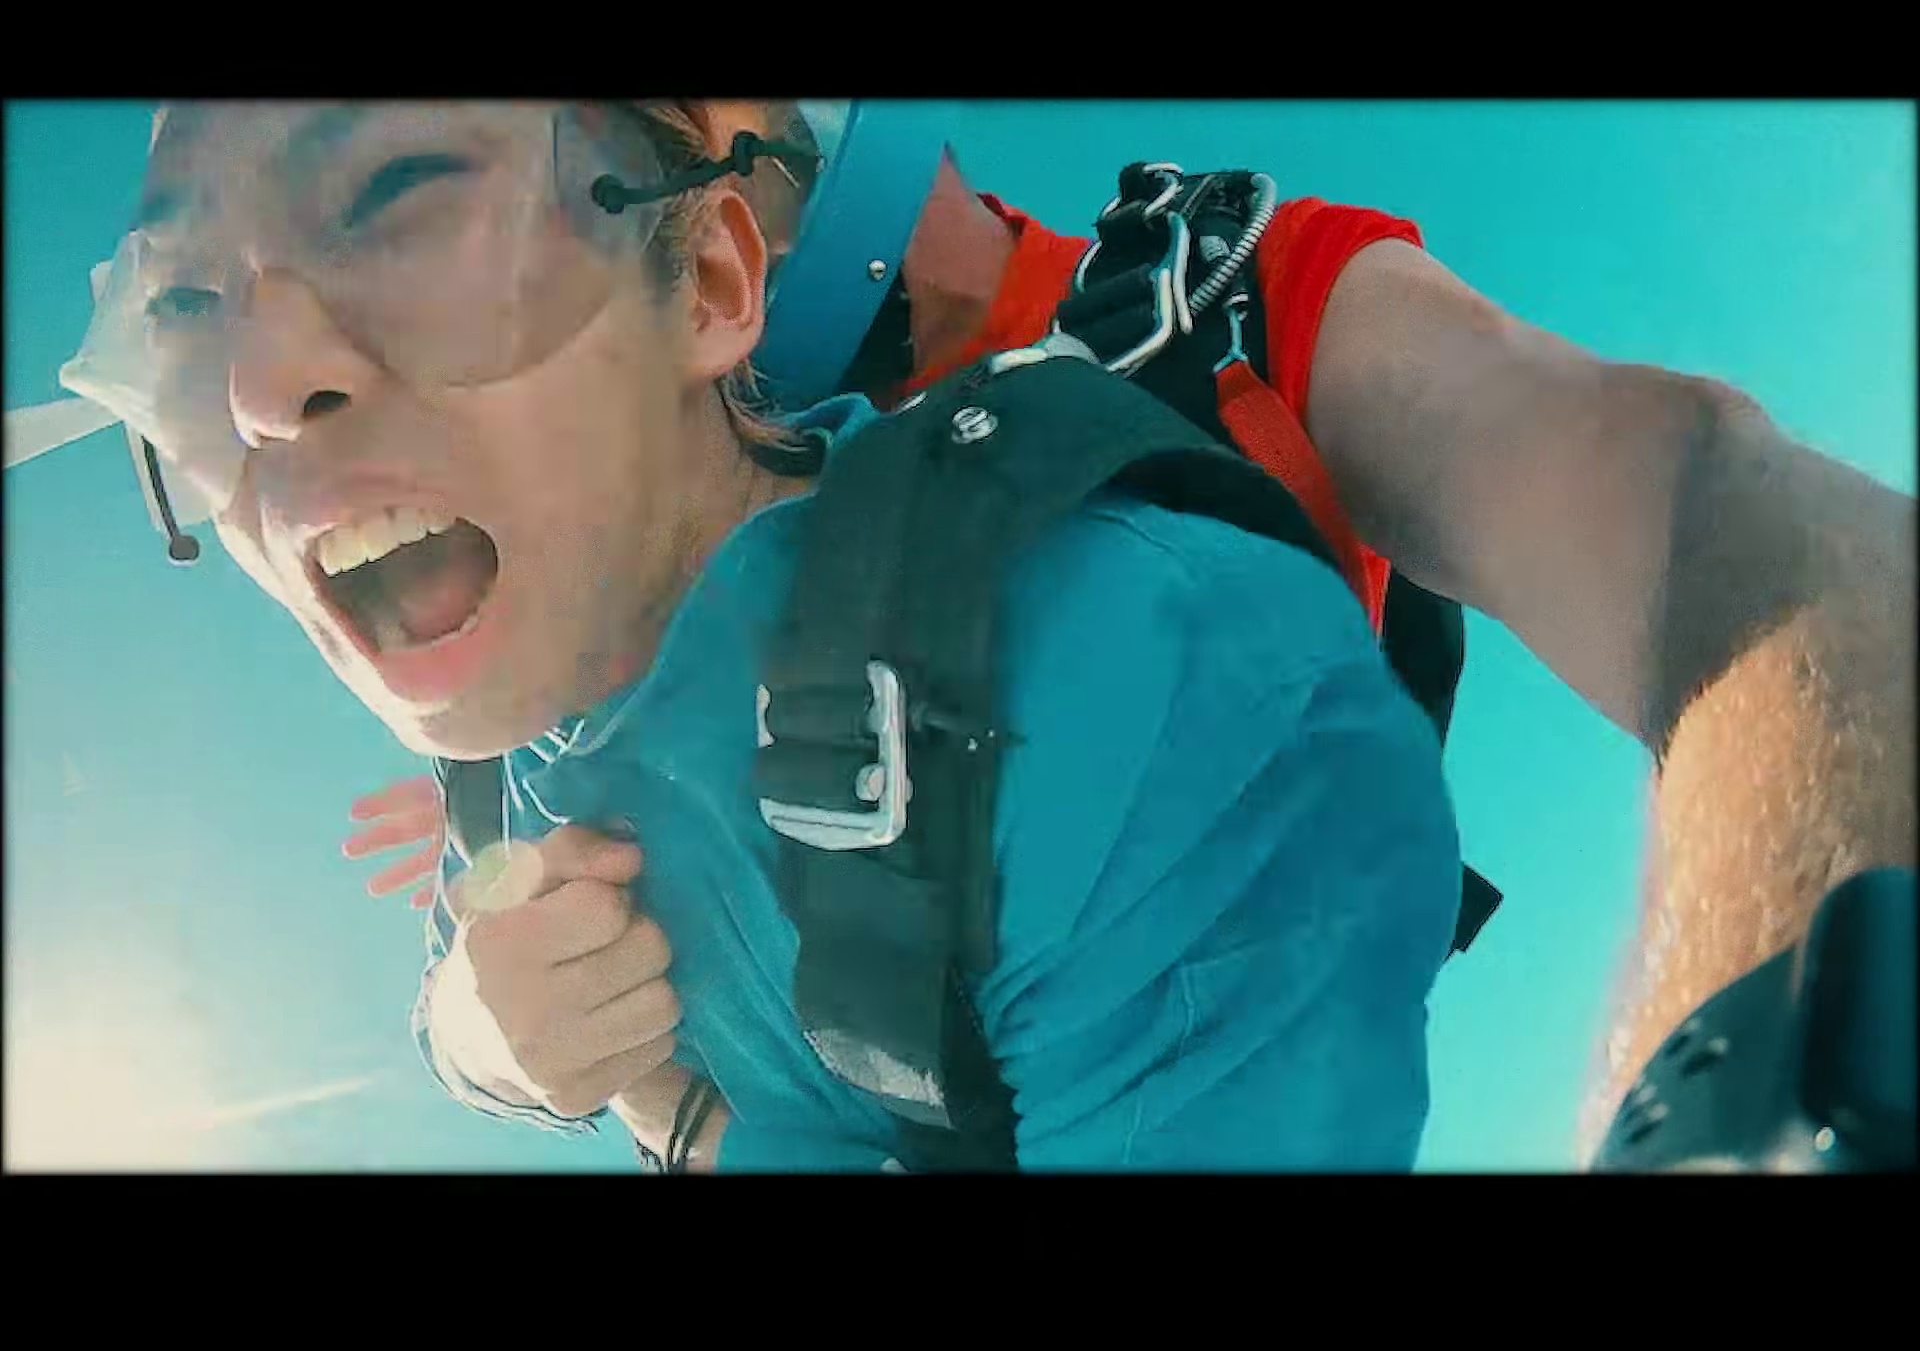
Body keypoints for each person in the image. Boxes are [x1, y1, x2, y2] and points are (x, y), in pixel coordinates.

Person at [59, 100, 1468, 1170]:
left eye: (401, 202)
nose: (257, 390)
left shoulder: (1132, 677)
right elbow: (457, 974)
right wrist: (490, 1036)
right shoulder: (499, 768)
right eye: (180, 309)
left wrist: (666, 1112)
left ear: (718, 288)